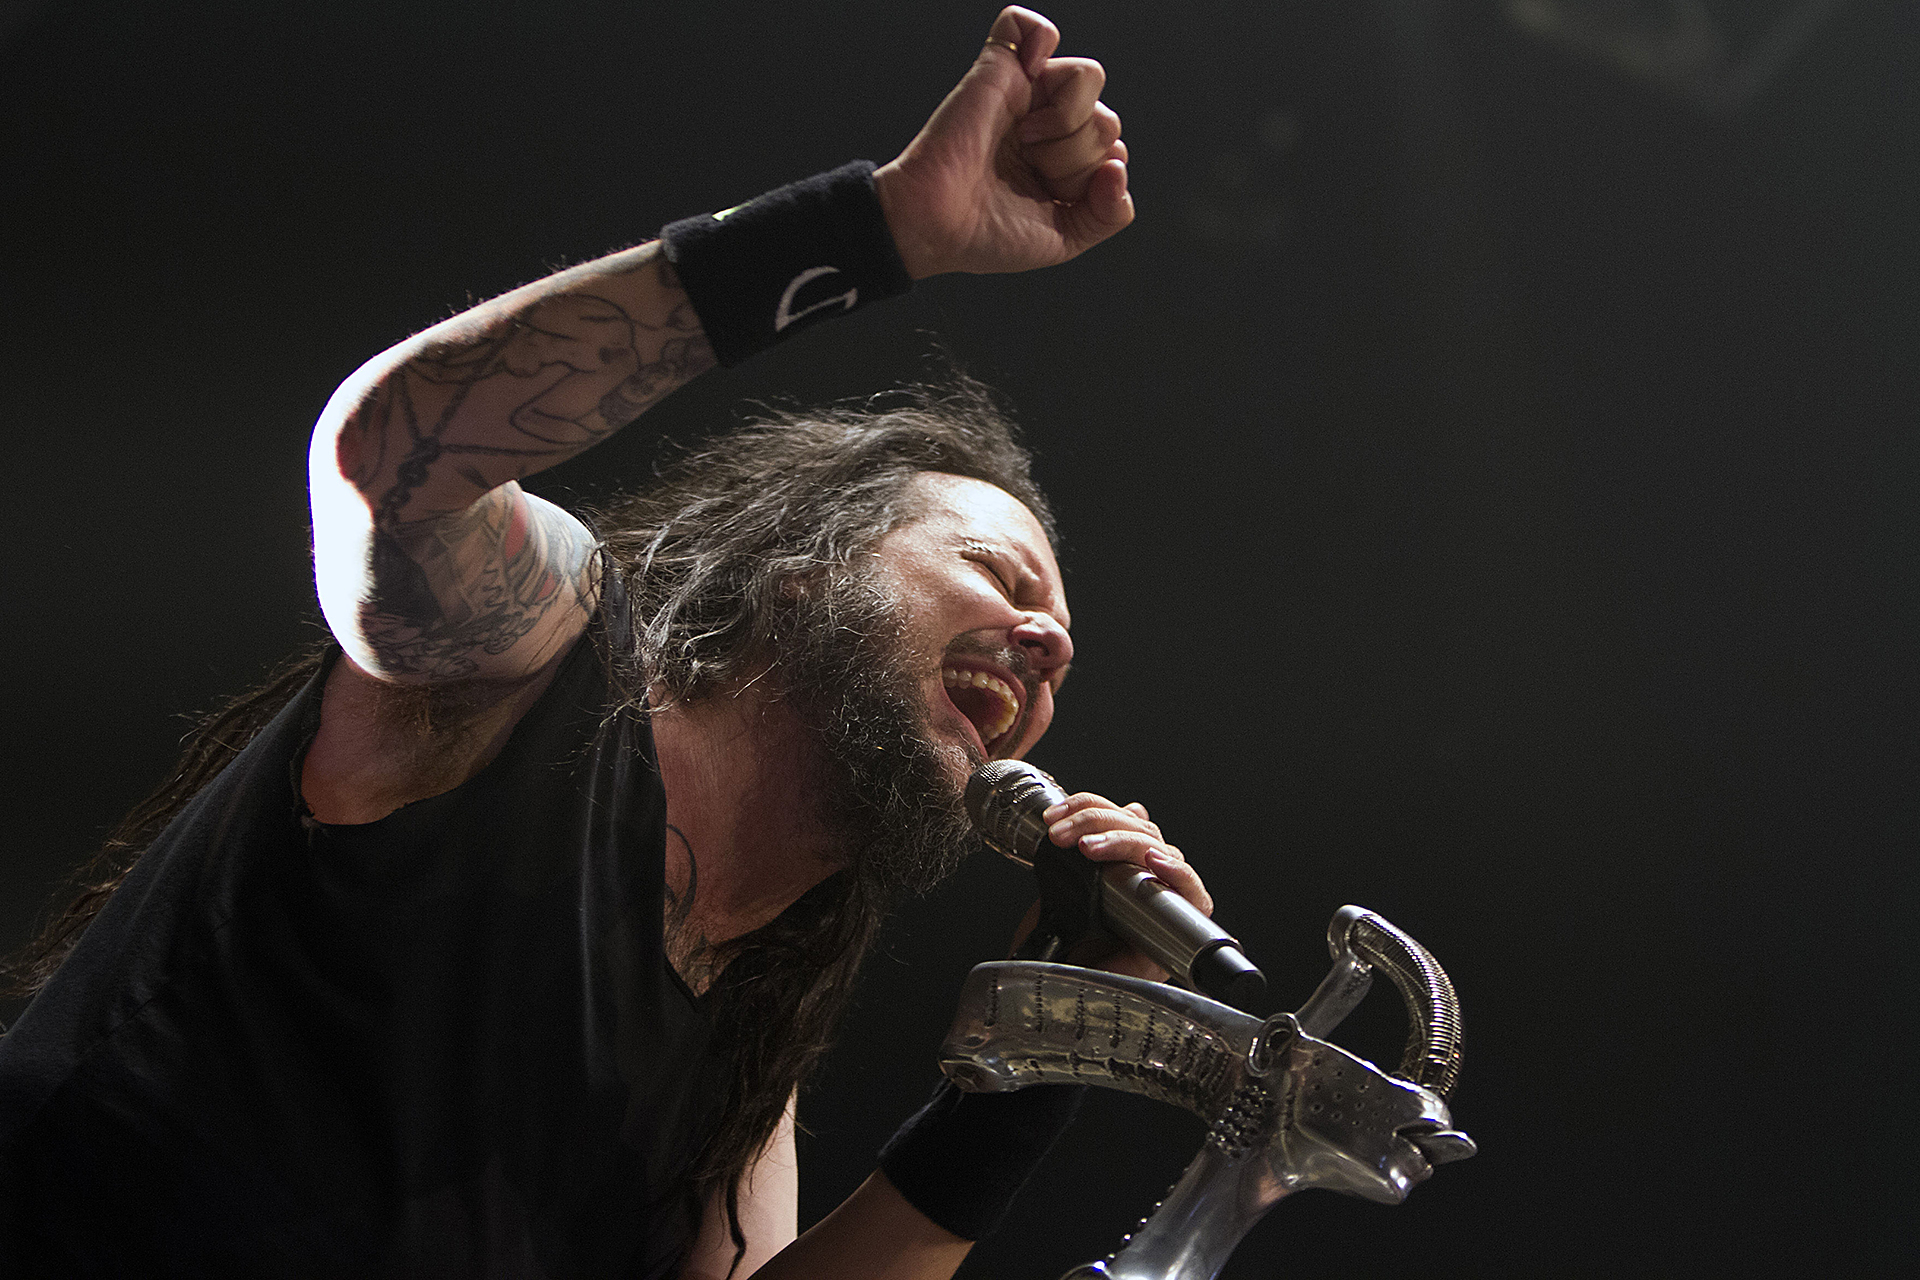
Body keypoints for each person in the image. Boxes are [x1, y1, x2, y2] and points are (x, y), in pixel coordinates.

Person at [0, 8, 1214, 1278]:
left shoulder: (750, 1040)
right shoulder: (542, 668)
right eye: (995, 572)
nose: (1045, 644)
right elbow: (391, 459)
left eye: (1060, 652)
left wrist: (1035, 1065)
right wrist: (873, 230)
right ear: (804, 566)